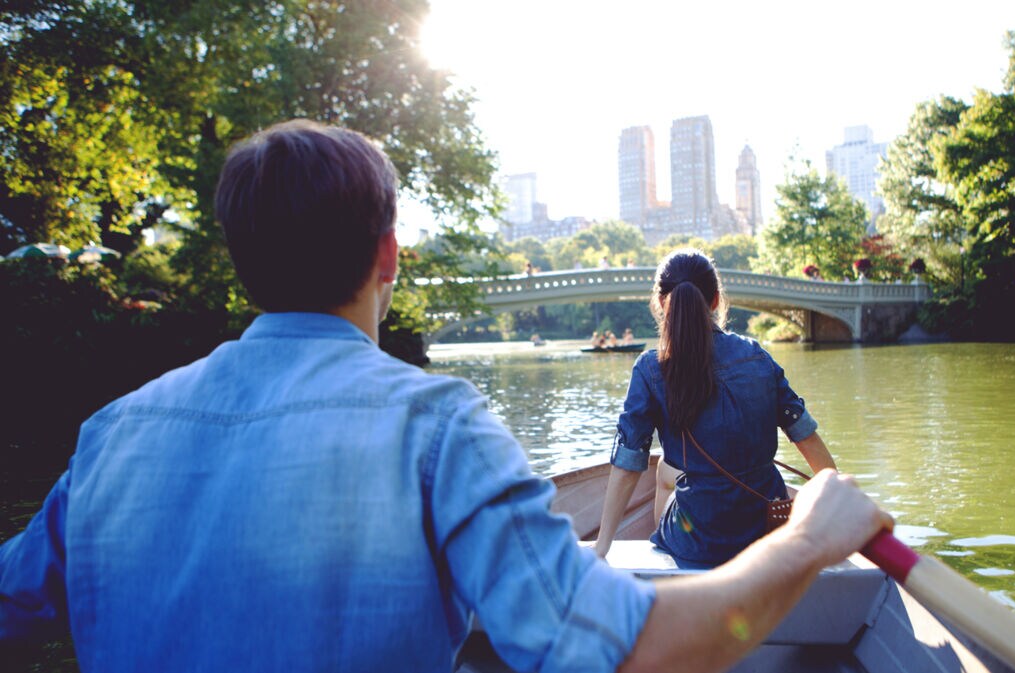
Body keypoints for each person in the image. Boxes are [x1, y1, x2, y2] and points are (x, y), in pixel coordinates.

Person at [0, 121, 890, 672]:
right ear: (388, 258)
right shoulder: (439, 426)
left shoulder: (110, 434)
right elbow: (634, 652)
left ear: (242, 262)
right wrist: (811, 538)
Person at [594, 249, 838, 569]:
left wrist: (602, 547)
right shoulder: (756, 355)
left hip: (700, 543)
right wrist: (840, 509)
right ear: (715, 301)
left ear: (662, 303)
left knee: (666, 471)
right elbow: (805, 435)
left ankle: (668, 555)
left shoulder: (650, 369)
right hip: (767, 532)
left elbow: (628, 464)